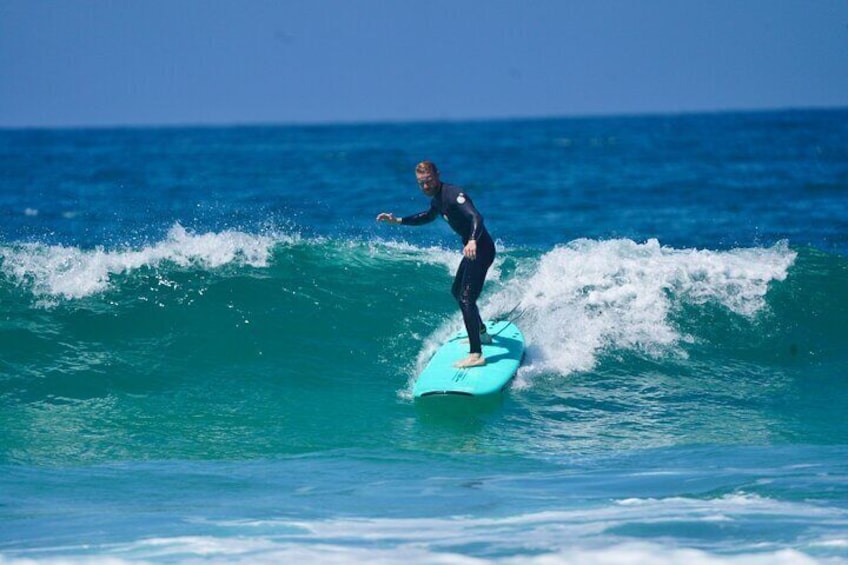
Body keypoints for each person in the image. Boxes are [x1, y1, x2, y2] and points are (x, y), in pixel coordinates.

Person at [377, 161, 496, 368]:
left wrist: (472, 240)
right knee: (457, 291)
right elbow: (427, 217)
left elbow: (476, 216)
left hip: (481, 249)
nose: (425, 186)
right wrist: (397, 221)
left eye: (428, 181)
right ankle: (482, 333)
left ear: (437, 175)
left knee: (466, 299)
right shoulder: (437, 200)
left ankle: (476, 354)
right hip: (473, 251)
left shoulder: (453, 194)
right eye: (421, 183)